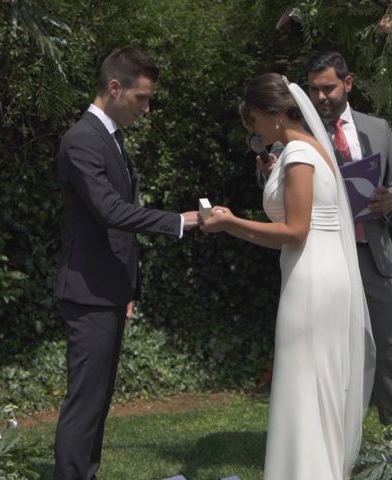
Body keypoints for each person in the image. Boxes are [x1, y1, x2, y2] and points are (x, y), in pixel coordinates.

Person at [201, 73, 375, 479]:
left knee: (304, 382)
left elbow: (295, 233)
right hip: (323, 271)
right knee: (315, 383)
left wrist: (230, 223)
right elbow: (301, 229)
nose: (255, 130)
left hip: (312, 278)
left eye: (256, 121)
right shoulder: (312, 150)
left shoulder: (299, 156)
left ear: (274, 114)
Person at [53, 47, 199, 480]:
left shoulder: (110, 137)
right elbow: (111, 212)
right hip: (87, 291)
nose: (148, 108)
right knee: (85, 402)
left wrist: (126, 288)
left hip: (108, 289)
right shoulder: (81, 140)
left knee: (97, 400)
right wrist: (179, 221)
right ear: (115, 88)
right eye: (143, 98)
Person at [306, 50, 392, 424]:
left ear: (347, 84)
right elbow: (278, 182)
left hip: (375, 256)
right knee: (331, 354)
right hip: (328, 257)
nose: (321, 98)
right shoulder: (304, 132)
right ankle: (334, 442)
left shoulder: (377, 127)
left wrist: (389, 201)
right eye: (314, 90)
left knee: (389, 351)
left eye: (329, 88)